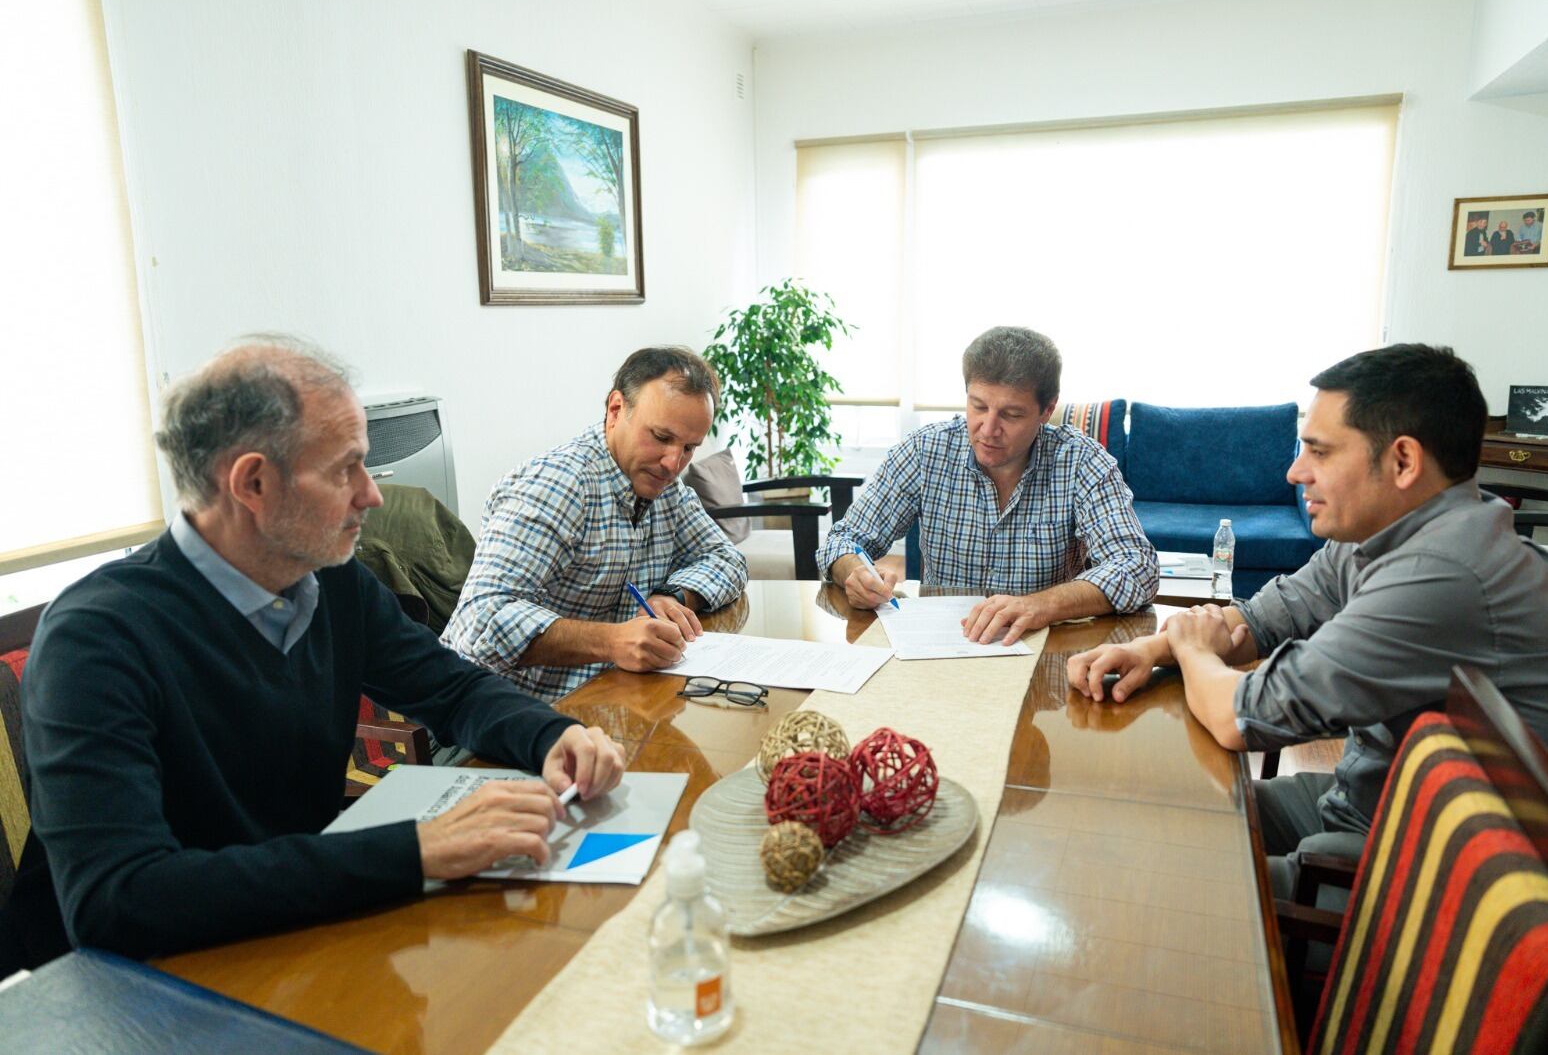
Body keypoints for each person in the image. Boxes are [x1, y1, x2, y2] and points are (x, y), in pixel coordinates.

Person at [6, 338, 626, 967]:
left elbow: (452, 687)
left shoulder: (328, 579)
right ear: (252, 482)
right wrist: (416, 851)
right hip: (124, 987)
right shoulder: (95, 638)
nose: (372, 494)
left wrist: (552, 735)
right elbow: (119, 900)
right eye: (345, 469)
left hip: (285, 930)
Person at [1065, 344, 1548, 895]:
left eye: (1319, 452)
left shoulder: (1441, 574)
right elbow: (1265, 618)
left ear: (1402, 462)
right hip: (1373, 803)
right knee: (1146, 809)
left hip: (1453, 885)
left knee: (1136, 876)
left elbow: (1242, 718)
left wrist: (1194, 652)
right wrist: (1152, 650)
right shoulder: (1396, 529)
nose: (1295, 473)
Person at [443, 347, 747, 703]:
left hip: (611, 702)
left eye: (689, 448)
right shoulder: (559, 485)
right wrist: (614, 640)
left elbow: (726, 559)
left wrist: (674, 594)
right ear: (616, 410)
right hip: (511, 715)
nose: (672, 463)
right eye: (662, 438)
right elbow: (479, 622)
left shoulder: (667, 488)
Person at [818, 326, 1158, 643]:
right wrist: (855, 572)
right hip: (939, 646)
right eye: (978, 406)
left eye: (1011, 415)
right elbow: (842, 539)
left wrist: (1040, 605)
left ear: (1047, 410)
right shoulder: (925, 451)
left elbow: (1136, 566)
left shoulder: (1081, 462)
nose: (987, 428)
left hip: (1041, 649)